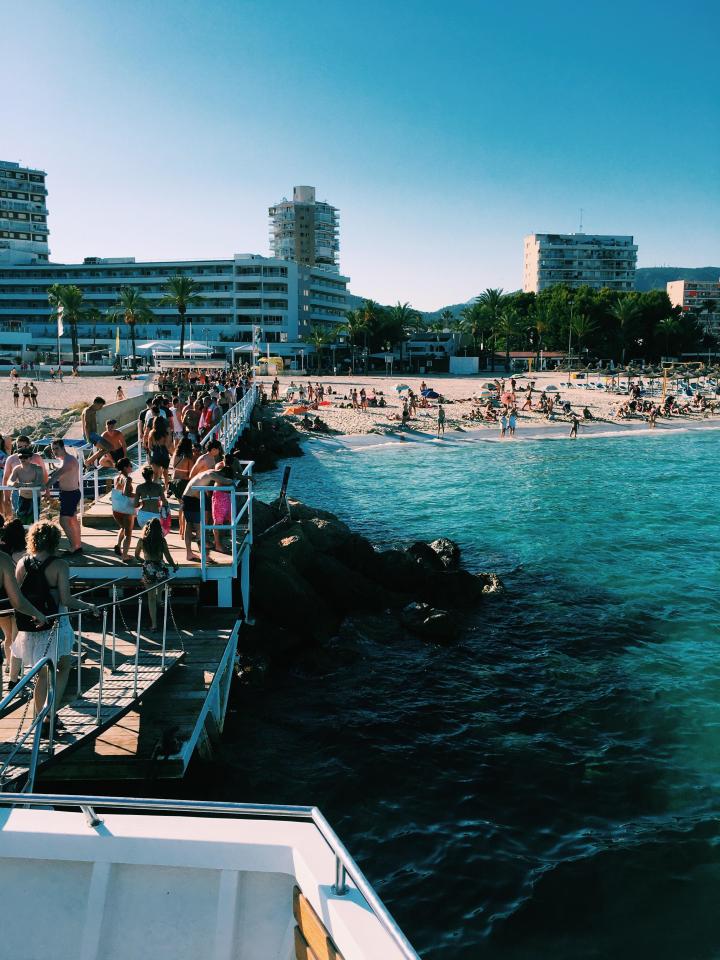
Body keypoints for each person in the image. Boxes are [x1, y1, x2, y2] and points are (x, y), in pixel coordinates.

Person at [13, 521, 98, 731]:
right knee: (64, 667)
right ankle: (50, 714)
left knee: (41, 673)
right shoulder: (60, 565)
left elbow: (18, 596)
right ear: (54, 540)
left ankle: (38, 717)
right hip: (56, 623)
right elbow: (66, 600)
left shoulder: (22, 563)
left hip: (31, 625)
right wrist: (88, 605)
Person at [134, 518, 178, 635]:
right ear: (159, 529)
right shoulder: (162, 541)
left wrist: (144, 561)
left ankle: (154, 625)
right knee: (160, 586)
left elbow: (136, 555)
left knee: (150, 598)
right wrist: (174, 566)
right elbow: (168, 557)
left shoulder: (142, 541)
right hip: (160, 567)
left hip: (149, 567)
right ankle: (160, 598)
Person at [0, 519, 29, 693]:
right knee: (16, 638)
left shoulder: (2, 552)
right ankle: (13, 678)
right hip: (16, 600)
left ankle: (8, 666)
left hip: (1, 601)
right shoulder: (24, 555)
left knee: (7, 636)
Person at [47, 439, 83, 556]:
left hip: (70, 494)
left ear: (63, 448)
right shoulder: (65, 460)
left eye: (57, 448)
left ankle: (74, 547)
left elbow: (55, 476)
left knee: (63, 521)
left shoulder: (68, 461)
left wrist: (44, 487)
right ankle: (78, 545)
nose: (54, 451)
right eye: (53, 449)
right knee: (72, 519)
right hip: (70, 493)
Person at [2, 436, 48, 521]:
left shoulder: (37, 458)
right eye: (20, 447)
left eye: (25, 446)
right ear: (16, 447)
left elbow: (45, 475)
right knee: (21, 520)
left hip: (34, 493)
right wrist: (6, 497)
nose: (23, 449)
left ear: (29, 445)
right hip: (18, 493)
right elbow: (6, 478)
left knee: (34, 519)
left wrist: (47, 492)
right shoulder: (11, 459)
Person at [9, 450, 45, 525]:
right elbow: (9, 481)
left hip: (35, 498)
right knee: (21, 521)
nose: (23, 459)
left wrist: (22, 485)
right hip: (22, 498)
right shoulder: (17, 469)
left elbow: (38, 483)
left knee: (33, 521)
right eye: (20, 457)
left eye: (25, 457)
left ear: (30, 458)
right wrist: (13, 483)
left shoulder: (38, 468)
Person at [110, 457, 136, 561]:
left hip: (116, 509)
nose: (132, 467)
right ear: (125, 467)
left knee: (123, 527)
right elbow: (126, 493)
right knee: (128, 533)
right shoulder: (127, 478)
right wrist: (138, 495)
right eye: (130, 465)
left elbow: (118, 492)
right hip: (125, 509)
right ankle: (125, 556)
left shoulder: (117, 477)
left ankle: (118, 545)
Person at [134, 465, 169, 530]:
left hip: (143, 516)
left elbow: (135, 505)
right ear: (152, 475)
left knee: (145, 534)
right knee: (155, 535)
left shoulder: (139, 487)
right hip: (155, 516)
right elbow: (165, 503)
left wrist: (142, 502)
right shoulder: (158, 487)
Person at [82, 397, 114, 466]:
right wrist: (88, 439)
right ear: (96, 403)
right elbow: (86, 425)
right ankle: (88, 462)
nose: (101, 408)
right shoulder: (88, 411)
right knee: (110, 447)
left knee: (106, 449)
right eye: (100, 406)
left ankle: (88, 462)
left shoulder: (92, 411)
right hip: (90, 435)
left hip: (93, 435)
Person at [148, 416, 173, 489]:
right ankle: (166, 487)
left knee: (155, 474)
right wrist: (171, 453)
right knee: (165, 473)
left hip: (156, 454)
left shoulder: (151, 433)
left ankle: (154, 489)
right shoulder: (166, 433)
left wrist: (154, 451)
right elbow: (167, 445)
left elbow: (150, 446)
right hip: (164, 453)